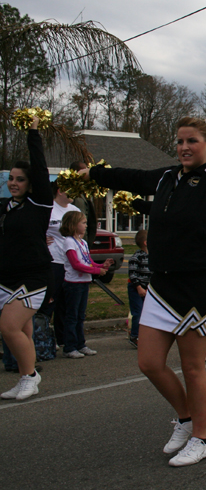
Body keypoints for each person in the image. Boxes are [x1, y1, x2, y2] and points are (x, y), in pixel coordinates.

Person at [83, 88, 206, 466]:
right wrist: (93, 173)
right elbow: (129, 176)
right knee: (149, 362)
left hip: (200, 284)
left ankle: (201, 438)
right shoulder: (165, 179)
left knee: (193, 366)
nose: (184, 147)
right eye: (179, 141)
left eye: (193, 141)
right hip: (163, 283)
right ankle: (186, 418)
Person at [1, 115, 52, 401]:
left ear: (30, 183)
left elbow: (41, 169)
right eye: (10, 178)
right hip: (6, 277)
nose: (13, 183)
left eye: (20, 179)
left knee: (8, 326)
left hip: (33, 275)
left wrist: (33, 133)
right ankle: (25, 376)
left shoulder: (39, 202)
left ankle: (30, 376)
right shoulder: (5, 208)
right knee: (21, 330)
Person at [60, 211, 111, 358]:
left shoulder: (83, 242)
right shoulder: (69, 241)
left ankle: (80, 344)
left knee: (80, 315)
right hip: (73, 284)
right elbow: (76, 264)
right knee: (72, 315)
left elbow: (88, 261)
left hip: (83, 282)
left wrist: (102, 266)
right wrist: (96, 270)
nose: (86, 225)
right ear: (73, 224)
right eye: (83, 223)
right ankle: (69, 346)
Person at [40, 183, 81, 348]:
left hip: (70, 262)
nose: (73, 194)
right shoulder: (48, 209)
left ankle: (63, 338)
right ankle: (43, 336)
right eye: (71, 190)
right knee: (51, 299)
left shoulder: (75, 210)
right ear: (60, 191)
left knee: (66, 302)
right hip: (53, 260)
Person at [127, 229, 151, 348]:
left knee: (147, 313)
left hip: (148, 289)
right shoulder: (136, 257)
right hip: (136, 289)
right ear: (146, 242)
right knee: (138, 312)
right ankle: (135, 336)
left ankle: (145, 335)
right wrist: (138, 287)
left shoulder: (152, 256)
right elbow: (132, 274)